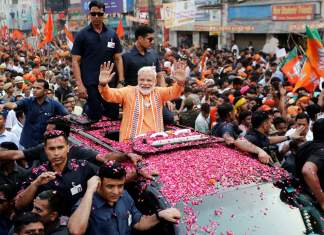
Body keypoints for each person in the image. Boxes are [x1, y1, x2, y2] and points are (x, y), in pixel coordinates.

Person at [68, 161, 181, 235]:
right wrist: (89, 190)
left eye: (120, 186)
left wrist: (159, 215)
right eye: (110, 186)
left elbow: (138, 222)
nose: (116, 192)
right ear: (99, 184)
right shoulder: (86, 204)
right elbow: (76, 230)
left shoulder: (125, 196)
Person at [98, 61, 185, 141]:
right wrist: (103, 84)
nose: (145, 83)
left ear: (155, 82)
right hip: (129, 141)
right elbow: (109, 95)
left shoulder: (159, 92)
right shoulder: (128, 91)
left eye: (149, 80)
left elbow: (174, 91)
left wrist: (180, 83)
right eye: (142, 80)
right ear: (137, 80)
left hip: (155, 140)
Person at [15, 130, 96, 214]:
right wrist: (36, 184)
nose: (56, 153)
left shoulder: (83, 167)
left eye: (60, 147)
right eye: (51, 149)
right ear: (45, 150)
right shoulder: (37, 174)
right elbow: (19, 205)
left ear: (68, 148)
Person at [71, 0, 124, 121]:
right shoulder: (82, 35)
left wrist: (121, 81)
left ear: (104, 14)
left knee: (113, 114)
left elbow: (118, 58)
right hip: (90, 84)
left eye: (99, 14)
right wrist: (80, 85)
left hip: (109, 83)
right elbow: (75, 61)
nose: (96, 17)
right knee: (95, 114)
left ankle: (111, 140)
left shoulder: (112, 34)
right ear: (89, 14)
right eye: (93, 14)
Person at [0, 79, 68, 149]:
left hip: (44, 144)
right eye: (33, 88)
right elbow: (14, 105)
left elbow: (67, 116)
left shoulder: (54, 104)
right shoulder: (27, 101)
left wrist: (55, 123)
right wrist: (4, 105)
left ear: (45, 91)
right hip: (27, 144)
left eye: (38, 88)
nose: (34, 90)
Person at [296, 118, 324, 211]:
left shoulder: (303, 146)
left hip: (304, 198)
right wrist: (322, 201)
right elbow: (307, 171)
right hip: (316, 203)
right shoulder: (321, 151)